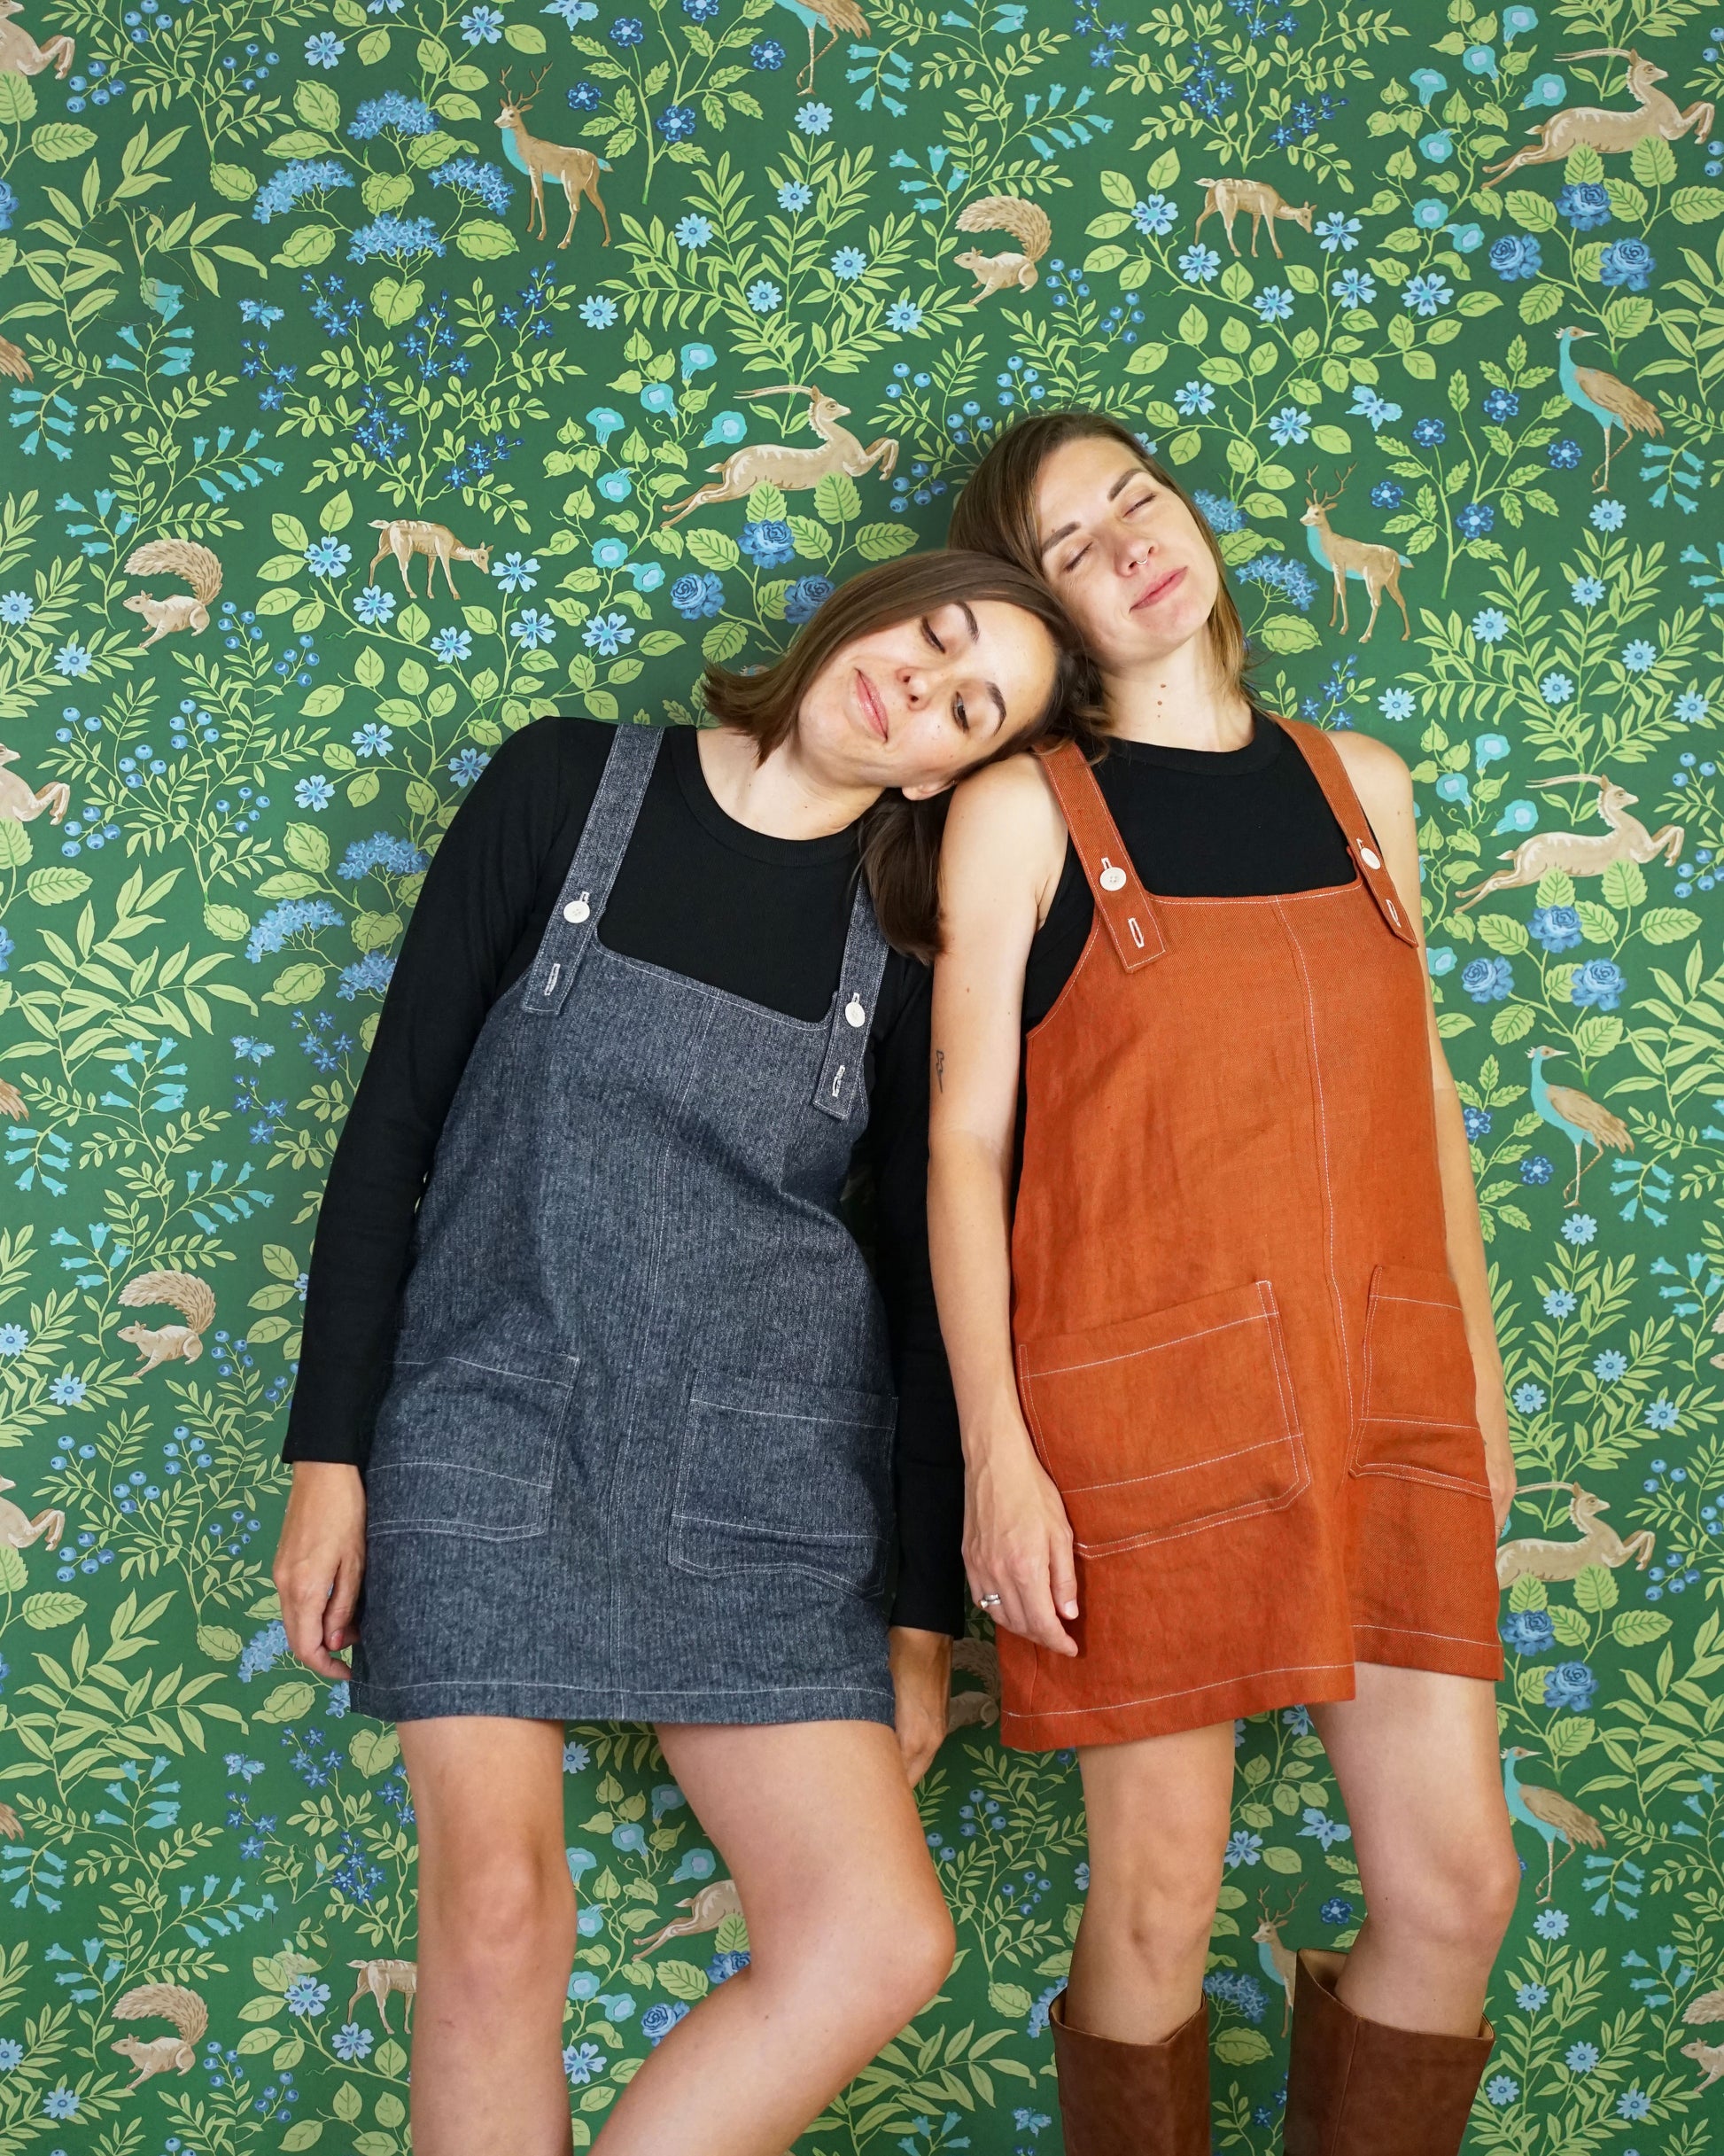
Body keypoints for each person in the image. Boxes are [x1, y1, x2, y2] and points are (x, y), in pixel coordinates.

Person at [270, 549, 1092, 2156]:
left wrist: (922, 1615)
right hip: (489, 1427)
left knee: (876, 1937)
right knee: (499, 1917)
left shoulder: (903, 946)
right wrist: (328, 1455)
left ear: (950, 771)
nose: (921, 685)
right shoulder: (564, 786)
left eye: (968, 703)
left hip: (763, 1487)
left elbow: (935, 1283)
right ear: (872, 605)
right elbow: (393, 1131)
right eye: (931, 636)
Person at [928, 414, 1518, 2156]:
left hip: (1381, 1387)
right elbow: (963, 1150)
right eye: (1065, 546)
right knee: (1158, 1903)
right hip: (1137, 1418)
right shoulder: (1017, 813)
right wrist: (995, 1456)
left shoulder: (1365, 790)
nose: (1126, 543)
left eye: (1136, 497)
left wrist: (1476, 1395)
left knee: (1457, 1883)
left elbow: (1426, 1112)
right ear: (1042, 616)